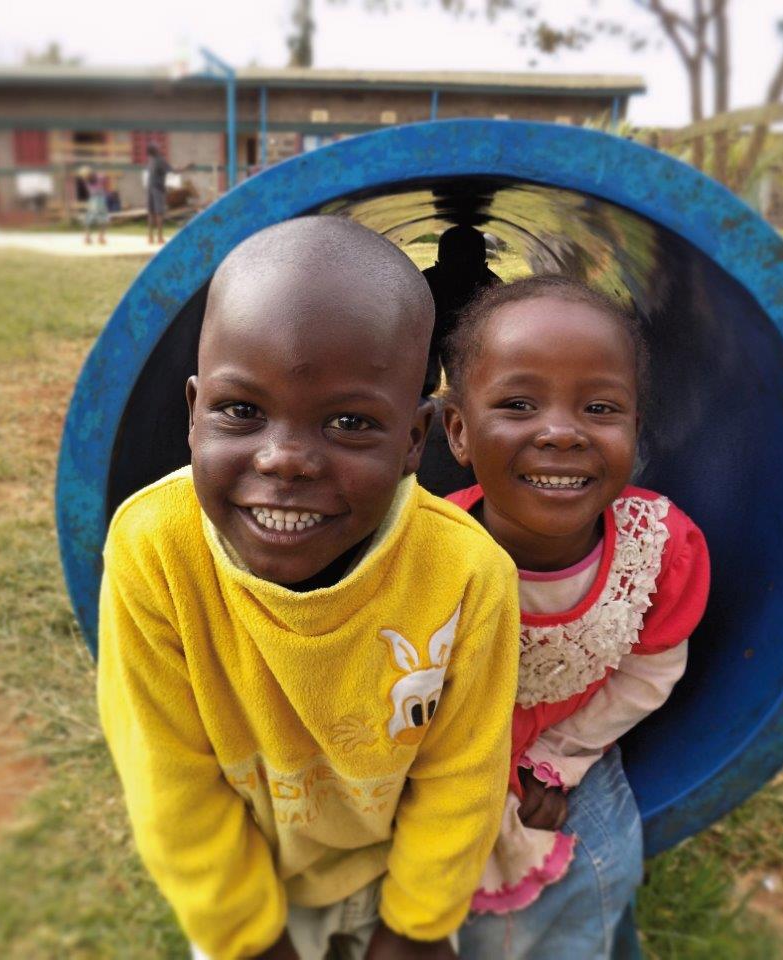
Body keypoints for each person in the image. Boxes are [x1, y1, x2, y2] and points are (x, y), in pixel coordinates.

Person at [98, 216, 521, 960]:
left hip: (397, 869)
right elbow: (169, 781)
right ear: (193, 412)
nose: (286, 460)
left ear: (415, 441)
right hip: (252, 878)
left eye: (350, 422)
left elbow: (464, 775)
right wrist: (250, 937)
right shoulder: (154, 552)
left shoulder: (466, 575)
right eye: (241, 411)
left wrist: (417, 927)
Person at [439, 276, 711, 959]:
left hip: (571, 741)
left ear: (635, 432)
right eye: (519, 404)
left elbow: (650, 671)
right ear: (457, 431)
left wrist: (559, 761)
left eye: (598, 407)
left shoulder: (656, 553)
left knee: (589, 878)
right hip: (444, 763)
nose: (561, 433)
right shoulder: (429, 557)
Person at [420, 226, 501, 397]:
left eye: (467, 267)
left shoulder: (492, 288)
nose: (460, 275)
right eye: (455, 267)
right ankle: (430, 384)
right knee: (426, 382)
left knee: (464, 381)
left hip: (468, 337)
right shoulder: (425, 284)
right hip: (431, 333)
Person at [145, 142, 172, 245]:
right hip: (158, 189)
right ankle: (160, 238)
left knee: (151, 213)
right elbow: (173, 170)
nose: (159, 148)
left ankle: (150, 237)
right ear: (155, 150)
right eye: (157, 147)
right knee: (159, 213)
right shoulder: (160, 160)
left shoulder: (150, 160)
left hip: (150, 188)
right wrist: (186, 168)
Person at [80, 165, 110, 245]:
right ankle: (99, 237)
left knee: (90, 218)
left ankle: (88, 237)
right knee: (102, 218)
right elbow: (104, 178)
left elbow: (104, 179)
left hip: (93, 199)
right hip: (98, 199)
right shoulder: (95, 178)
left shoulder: (89, 180)